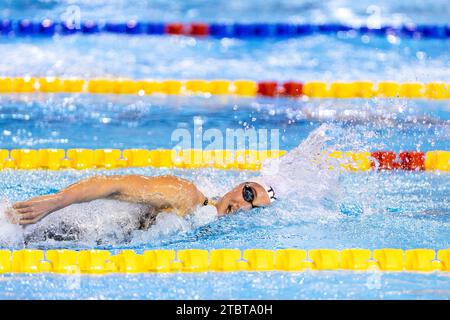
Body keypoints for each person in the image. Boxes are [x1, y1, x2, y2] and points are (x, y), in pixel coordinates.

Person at [8, 174, 276, 229]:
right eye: (248, 194)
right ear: (239, 185)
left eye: (254, 208)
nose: (244, 205)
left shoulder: (207, 223)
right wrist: (55, 201)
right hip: (58, 224)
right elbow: (113, 185)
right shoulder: (188, 195)